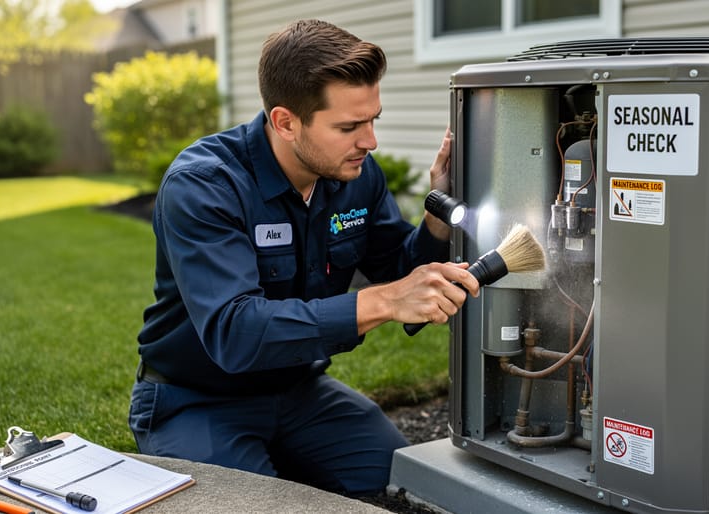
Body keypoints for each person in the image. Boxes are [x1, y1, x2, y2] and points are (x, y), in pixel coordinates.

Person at [128, 18, 480, 497]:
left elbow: (399, 271)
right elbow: (235, 331)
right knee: (259, 506)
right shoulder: (205, 185)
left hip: (300, 393)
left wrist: (438, 217)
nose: (370, 141)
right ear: (285, 121)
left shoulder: (357, 176)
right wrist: (382, 302)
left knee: (405, 484)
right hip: (196, 399)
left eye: (373, 119)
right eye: (349, 126)